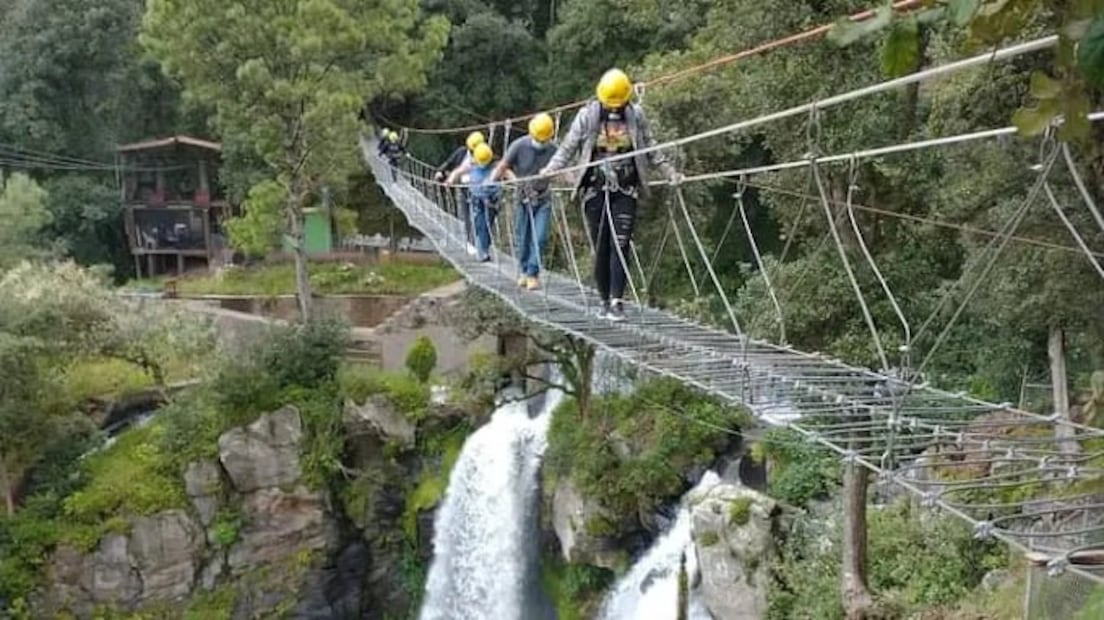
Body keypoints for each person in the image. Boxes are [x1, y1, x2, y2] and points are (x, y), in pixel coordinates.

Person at [540, 68, 680, 321]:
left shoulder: (636, 115)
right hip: (594, 189)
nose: (615, 109)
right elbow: (568, 147)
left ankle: (617, 302)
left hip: (625, 190)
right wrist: (550, 170)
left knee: (621, 243)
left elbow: (651, 148)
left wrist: (670, 172)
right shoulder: (588, 116)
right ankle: (604, 300)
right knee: (602, 246)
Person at [492, 113, 558, 290]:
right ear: (532, 134)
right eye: (539, 139)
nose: (542, 142)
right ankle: (523, 270)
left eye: (545, 139)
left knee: (541, 236)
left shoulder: (553, 149)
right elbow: (503, 168)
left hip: (543, 198)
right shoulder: (519, 145)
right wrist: (513, 180)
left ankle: (533, 274)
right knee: (523, 237)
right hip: (522, 198)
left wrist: (576, 180)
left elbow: (563, 169)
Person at [447, 142, 501, 263]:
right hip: (477, 200)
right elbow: (457, 171)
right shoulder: (471, 164)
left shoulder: (496, 165)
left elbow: (507, 172)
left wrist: (518, 182)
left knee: (487, 226)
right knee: (479, 225)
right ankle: (483, 251)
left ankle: (484, 251)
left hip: (492, 201)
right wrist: (450, 180)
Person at [435, 131, 485, 253]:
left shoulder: (485, 153)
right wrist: (440, 171)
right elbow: (449, 162)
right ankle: (471, 242)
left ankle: (482, 245)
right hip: (464, 188)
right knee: (467, 216)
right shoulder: (462, 152)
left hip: (480, 190)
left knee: (480, 218)